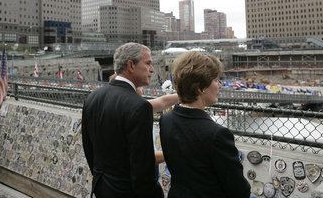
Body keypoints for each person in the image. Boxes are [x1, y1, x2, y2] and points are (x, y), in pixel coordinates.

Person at [159, 51, 250, 198]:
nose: (219, 85)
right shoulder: (217, 135)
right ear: (200, 88)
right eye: (215, 80)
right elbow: (239, 190)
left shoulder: (167, 120)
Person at [82, 43, 165, 198]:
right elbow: (143, 166)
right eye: (147, 63)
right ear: (130, 65)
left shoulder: (93, 97)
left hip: (103, 188)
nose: (152, 69)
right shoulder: (138, 106)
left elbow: (88, 148)